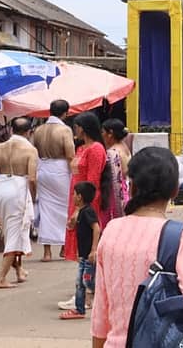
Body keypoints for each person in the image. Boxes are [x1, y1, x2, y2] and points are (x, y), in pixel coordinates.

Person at [91, 146, 183, 346]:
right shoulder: (181, 235)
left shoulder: (111, 230)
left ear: (132, 186)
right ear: (175, 190)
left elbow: (101, 307)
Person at [0, 117, 38, 288]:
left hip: (0, 187)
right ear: (29, 132)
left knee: (11, 230)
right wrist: (33, 196)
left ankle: (18, 269)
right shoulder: (30, 150)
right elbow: (32, 178)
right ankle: (0, 278)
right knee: (15, 232)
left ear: (11, 130)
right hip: (18, 188)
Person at [65, 112, 112, 262]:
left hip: (87, 199)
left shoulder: (96, 149)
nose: (75, 130)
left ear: (83, 128)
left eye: (76, 127)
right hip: (77, 197)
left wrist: (80, 208)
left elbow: (93, 180)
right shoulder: (81, 148)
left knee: (87, 235)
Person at [32, 99, 76, 262]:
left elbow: (33, 151)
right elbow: (70, 154)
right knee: (66, 209)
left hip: (43, 169)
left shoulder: (38, 130)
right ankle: (65, 248)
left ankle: (47, 252)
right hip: (60, 169)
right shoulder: (65, 130)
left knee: (46, 209)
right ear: (65, 113)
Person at [59, 181, 100, 320]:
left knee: (87, 281)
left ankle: (101, 294)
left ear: (80, 197)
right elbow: (72, 227)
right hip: (83, 256)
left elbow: (96, 228)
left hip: (89, 257)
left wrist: (94, 249)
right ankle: (79, 309)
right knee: (80, 282)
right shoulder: (81, 212)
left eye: (74, 194)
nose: (72, 196)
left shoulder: (88, 212)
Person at [101, 119, 130, 221]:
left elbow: (115, 178)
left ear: (110, 134)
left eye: (103, 132)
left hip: (115, 195)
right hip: (125, 190)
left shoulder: (112, 152)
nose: (102, 135)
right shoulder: (124, 147)